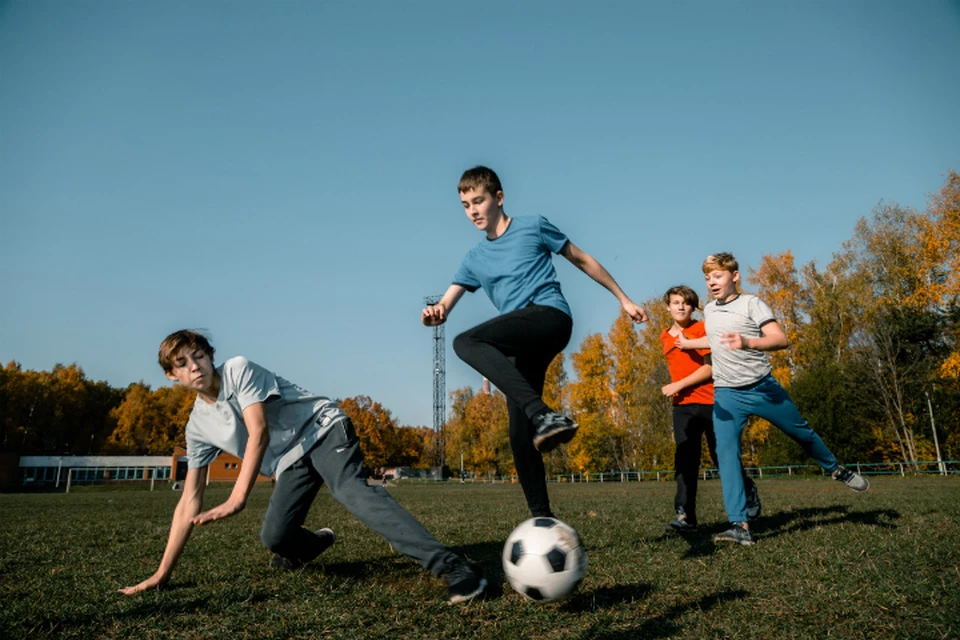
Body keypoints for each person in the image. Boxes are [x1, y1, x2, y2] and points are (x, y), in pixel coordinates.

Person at [119, 330, 486, 603]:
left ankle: (457, 569)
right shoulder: (197, 426)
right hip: (291, 461)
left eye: (198, 356)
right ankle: (314, 544)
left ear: (211, 356)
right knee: (275, 539)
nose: (194, 366)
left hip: (323, 430)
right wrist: (161, 573)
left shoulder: (238, 369)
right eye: (182, 364)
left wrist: (237, 497)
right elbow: (188, 502)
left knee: (352, 493)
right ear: (172, 375)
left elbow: (258, 431)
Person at [421, 165, 647, 518]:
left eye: (478, 201)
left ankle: (544, 415)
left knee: (466, 342)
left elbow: (582, 259)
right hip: (520, 341)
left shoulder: (533, 226)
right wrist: (434, 313)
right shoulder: (473, 259)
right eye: (466, 205)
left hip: (549, 317)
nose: (473, 211)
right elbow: (445, 305)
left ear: (499, 197)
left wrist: (623, 299)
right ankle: (543, 518)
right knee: (518, 434)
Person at [678, 253, 869, 546]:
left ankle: (835, 469)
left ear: (735, 276)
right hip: (727, 393)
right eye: (707, 277)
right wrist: (688, 343)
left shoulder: (752, 303)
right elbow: (715, 339)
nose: (711, 282)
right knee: (727, 456)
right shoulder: (712, 311)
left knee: (801, 432)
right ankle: (739, 525)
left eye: (717, 276)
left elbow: (780, 339)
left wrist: (747, 342)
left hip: (762, 387)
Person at [659, 285, 760, 534]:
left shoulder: (702, 329)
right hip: (683, 407)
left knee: (722, 457)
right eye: (675, 302)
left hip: (715, 402)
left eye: (686, 302)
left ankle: (747, 493)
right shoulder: (664, 336)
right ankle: (686, 517)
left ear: (694, 307)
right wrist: (678, 390)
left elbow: (711, 367)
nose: (681, 307)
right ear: (668, 307)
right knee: (685, 462)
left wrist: (678, 385)